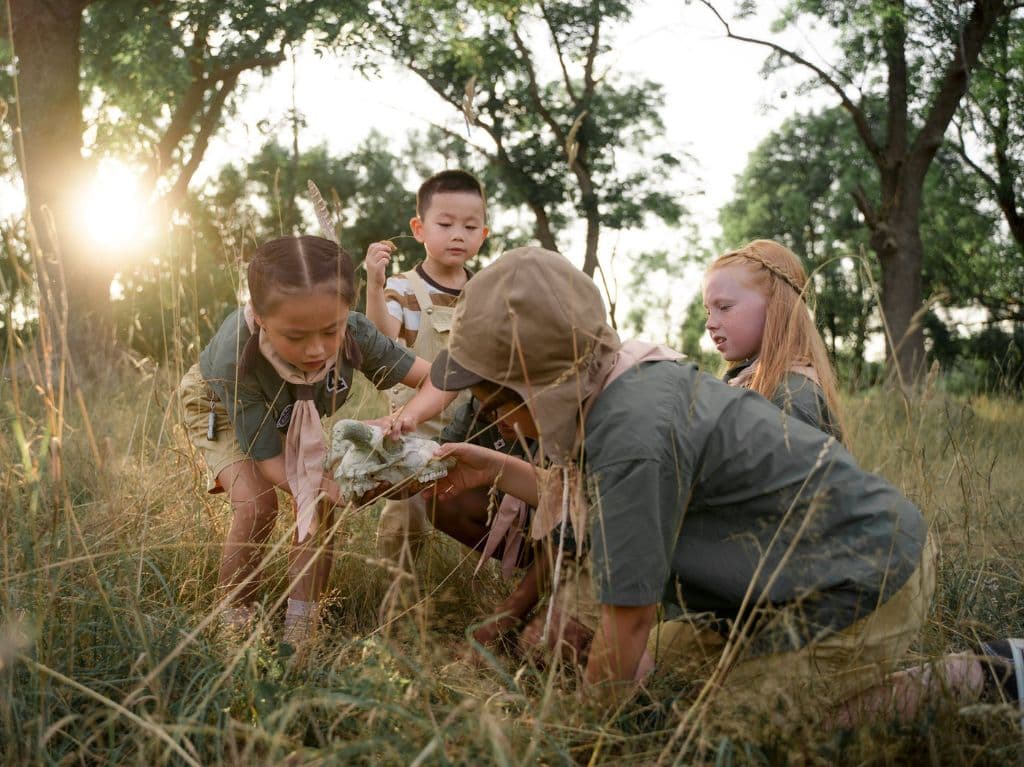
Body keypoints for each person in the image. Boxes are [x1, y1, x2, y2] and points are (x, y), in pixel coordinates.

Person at [423, 245, 1023, 725]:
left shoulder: (631, 435)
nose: (500, 423)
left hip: (861, 576)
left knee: (747, 730)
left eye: (498, 403)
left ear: (542, 384)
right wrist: (497, 466)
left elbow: (626, 619)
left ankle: (990, 674)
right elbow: (603, 498)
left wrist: (579, 733)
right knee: (672, 675)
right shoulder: (622, 381)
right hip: (775, 586)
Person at [179, 235, 451, 642]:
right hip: (218, 405)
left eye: (331, 330)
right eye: (295, 336)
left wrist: (403, 417)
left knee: (319, 507)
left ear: (347, 312)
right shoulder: (235, 355)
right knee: (258, 505)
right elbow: (268, 457)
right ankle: (234, 625)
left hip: (290, 410)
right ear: (259, 316)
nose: (317, 349)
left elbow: (439, 380)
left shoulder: (357, 333)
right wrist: (331, 487)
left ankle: (302, 628)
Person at [363, 169, 489, 568]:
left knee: (485, 505)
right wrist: (373, 282)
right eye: (445, 224)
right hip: (413, 427)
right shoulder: (403, 288)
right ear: (419, 229)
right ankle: (395, 594)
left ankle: (473, 585)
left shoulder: (485, 291)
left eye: (470, 226)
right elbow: (383, 338)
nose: (458, 235)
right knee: (407, 515)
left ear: (483, 235)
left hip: (472, 427)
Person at [703, 239, 845, 442]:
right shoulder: (745, 381)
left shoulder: (792, 398)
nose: (709, 323)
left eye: (724, 307)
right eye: (708, 311)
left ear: (776, 306)